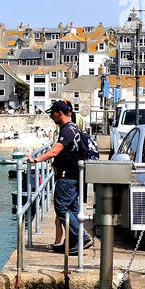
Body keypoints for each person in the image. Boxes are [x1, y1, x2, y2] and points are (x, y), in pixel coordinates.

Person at [32, 100, 93, 250]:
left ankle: (83, 238)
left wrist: (36, 159)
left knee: (61, 207)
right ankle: (73, 242)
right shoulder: (74, 128)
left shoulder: (67, 130)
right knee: (72, 209)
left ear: (59, 113)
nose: (51, 118)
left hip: (68, 177)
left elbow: (55, 151)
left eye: (52, 114)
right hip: (74, 176)